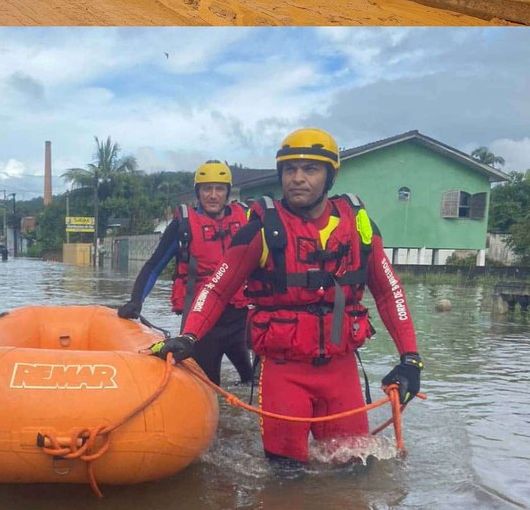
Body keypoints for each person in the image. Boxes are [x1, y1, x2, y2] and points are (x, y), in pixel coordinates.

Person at [151, 129, 423, 467]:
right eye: (290, 170)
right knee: (285, 476)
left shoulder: (359, 224)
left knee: (355, 472)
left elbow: (389, 291)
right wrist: (188, 336)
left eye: (310, 169)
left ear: (329, 176)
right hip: (283, 373)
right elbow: (216, 288)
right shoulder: (262, 229)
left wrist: (410, 359)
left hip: (342, 373)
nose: (297, 179)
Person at [118, 160, 253, 385]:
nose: (212, 195)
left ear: (228, 192)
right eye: (206, 189)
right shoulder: (184, 226)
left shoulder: (245, 220)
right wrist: (136, 301)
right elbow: (154, 266)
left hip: (238, 319)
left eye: (219, 189)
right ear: (197, 192)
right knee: (210, 388)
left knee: (251, 382)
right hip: (201, 325)